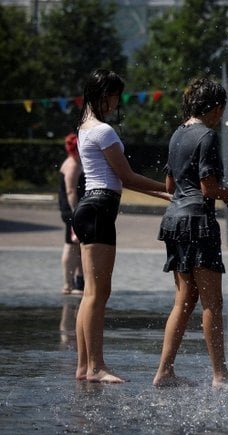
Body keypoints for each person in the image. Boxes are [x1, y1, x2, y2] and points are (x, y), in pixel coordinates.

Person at [153, 78, 228, 388]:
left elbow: (170, 186)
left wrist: (215, 192)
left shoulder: (178, 134)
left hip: (174, 221)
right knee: (212, 304)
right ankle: (220, 375)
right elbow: (208, 188)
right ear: (217, 108)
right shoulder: (208, 136)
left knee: (183, 302)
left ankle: (164, 372)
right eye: (221, 110)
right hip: (198, 224)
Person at [72, 68, 169, 383]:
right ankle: (97, 367)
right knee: (98, 293)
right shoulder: (103, 131)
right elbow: (126, 178)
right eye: (114, 97)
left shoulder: (84, 127)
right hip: (99, 209)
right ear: (103, 95)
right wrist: (170, 189)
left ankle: (84, 366)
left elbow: (121, 180)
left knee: (91, 292)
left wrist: (164, 194)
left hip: (89, 207)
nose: (116, 103)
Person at [58, 132, 85, 295]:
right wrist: (76, 212)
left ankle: (78, 282)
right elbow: (70, 190)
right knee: (71, 245)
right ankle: (68, 284)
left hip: (73, 209)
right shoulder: (73, 164)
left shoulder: (74, 161)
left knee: (78, 245)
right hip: (71, 210)